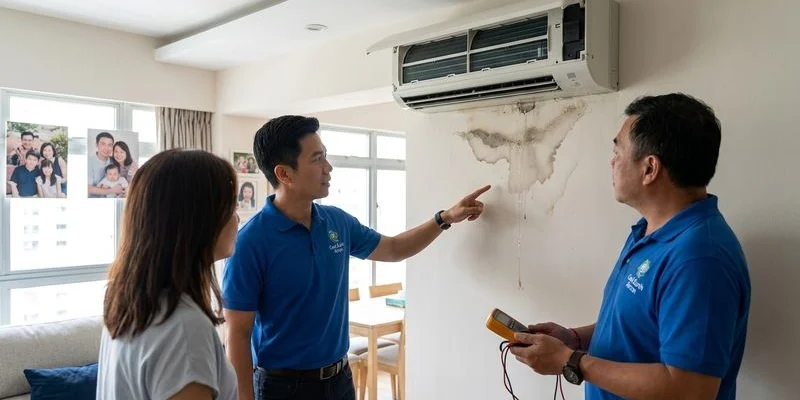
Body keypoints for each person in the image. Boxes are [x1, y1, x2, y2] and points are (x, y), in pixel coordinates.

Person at [222, 115, 490, 400]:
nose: (329, 167)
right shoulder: (250, 242)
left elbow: (394, 248)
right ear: (285, 174)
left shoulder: (336, 222)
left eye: (325, 156)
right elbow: (237, 335)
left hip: (340, 380)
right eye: (317, 159)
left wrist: (445, 218)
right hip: (283, 388)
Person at [509, 93, 751, 400]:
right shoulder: (648, 232)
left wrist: (570, 361)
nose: (612, 161)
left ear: (650, 169)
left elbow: (691, 390)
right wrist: (573, 339)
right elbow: (636, 329)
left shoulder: (700, 259)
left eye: (618, 151)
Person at [97, 149, 239, 400]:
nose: (237, 218)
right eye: (229, 207)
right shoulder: (184, 329)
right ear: (198, 219)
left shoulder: (127, 301)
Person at [88, 131, 123, 198]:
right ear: (97, 145)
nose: (106, 148)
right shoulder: (89, 162)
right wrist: (111, 190)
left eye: (110, 145)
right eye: (103, 144)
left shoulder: (114, 161)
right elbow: (87, 188)